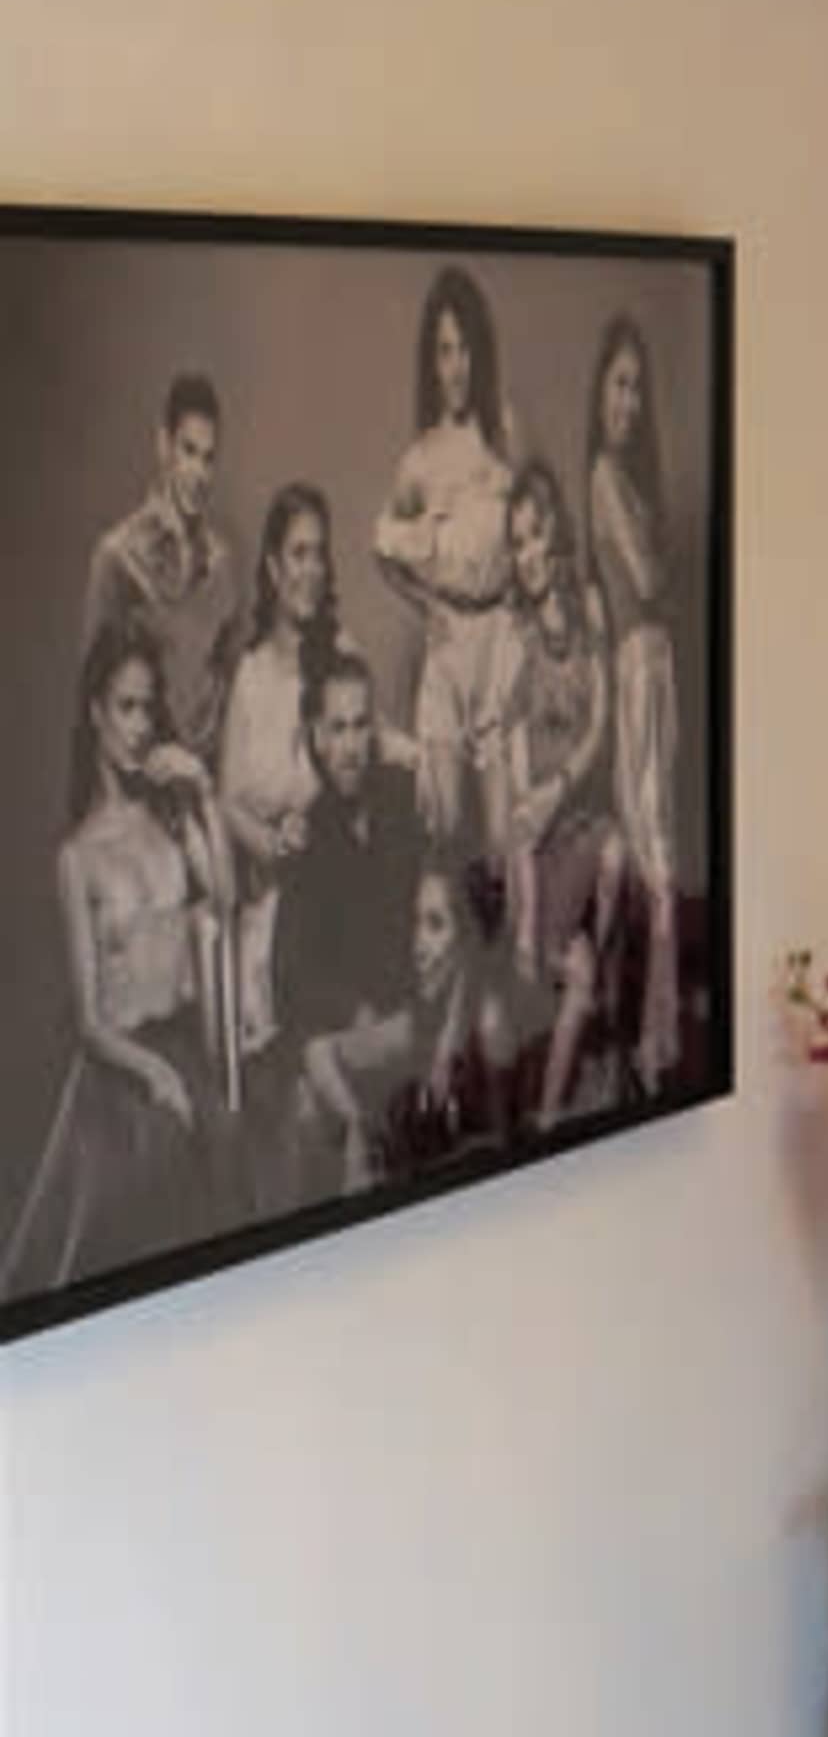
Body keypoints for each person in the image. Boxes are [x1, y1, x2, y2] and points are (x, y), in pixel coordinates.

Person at [0, 625, 229, 1297]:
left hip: (186, 1047)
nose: (139, 726)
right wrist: (157, 1076)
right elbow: (90, 1022)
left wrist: (203, 790)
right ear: (96, 712)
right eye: (125, 707)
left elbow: (224, 894)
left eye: (148, 708)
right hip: (124, 1073)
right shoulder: (77, 857)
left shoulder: (170, 817)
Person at [485, 456, 613, 1132]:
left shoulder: (588, 607)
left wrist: (560, 787)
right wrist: (526, 903)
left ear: (556, 531)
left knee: (615, 855)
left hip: (578, 816)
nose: (527, 555)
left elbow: (600, 724)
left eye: (535, 535)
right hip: (534, 841)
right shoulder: (515, 636)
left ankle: (570, 1084)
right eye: (516, 542)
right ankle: (548, 1119)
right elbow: (516, 796)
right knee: (569, 968)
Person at [276, 649, 427, 1200]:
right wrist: (355, 1012)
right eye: (337, 728)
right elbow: (291, 973)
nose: (350, 746)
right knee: (307, 1106)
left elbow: (444, 906)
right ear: (316, 737)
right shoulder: (308, 834)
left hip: (416, 1008)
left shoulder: (405, 799)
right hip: (356, 1028)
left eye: (361, 725)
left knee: (332, 1067)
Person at [371, 267, 514, 849]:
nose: (457, 367)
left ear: (482, 354)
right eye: (445, 351)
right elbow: (383, 548)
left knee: (503, 840)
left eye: (466, 349)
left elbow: (536, 527)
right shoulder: (420, 459)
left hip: (500, 636)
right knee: (445, 833)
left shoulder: (505, 435)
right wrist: (424, 604)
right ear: (431, 362)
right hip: (448, 642)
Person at [582, 312, 683, 1094]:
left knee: (659, 843)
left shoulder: (629, 481)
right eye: (619, 385)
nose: (629, 403)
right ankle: (649, 1038)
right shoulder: (605, 479)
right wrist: (654, 550)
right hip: (635, 665)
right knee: (652, 853)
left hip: (656, 663)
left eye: (638, 390)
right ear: (599, 392)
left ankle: (656, 1031)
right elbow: (647, 580)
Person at [211, 481, 342, 1065]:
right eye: (298, 553)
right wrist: (270, 844)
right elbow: (226, 801)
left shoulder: (340, 655)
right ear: (271, 566)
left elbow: (369, 748)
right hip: (268, 904)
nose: (311, 569)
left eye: (320, 554)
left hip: (332, 894)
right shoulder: (250, 676)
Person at [81, 370, 238, 763]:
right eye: (189, 451)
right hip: (138, 776)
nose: (199, 473)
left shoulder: (221, 565)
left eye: (209, 458)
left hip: (206, 780)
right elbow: (93, 703)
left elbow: (229, 690)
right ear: (163, 445)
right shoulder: (117, 557)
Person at [382, 854, 517, 1181]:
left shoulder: (489, 1025)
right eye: (416, 922)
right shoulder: (423, 1017)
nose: (417, 944)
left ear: (468, 939)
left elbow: (506, 1159)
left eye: (436, 925)